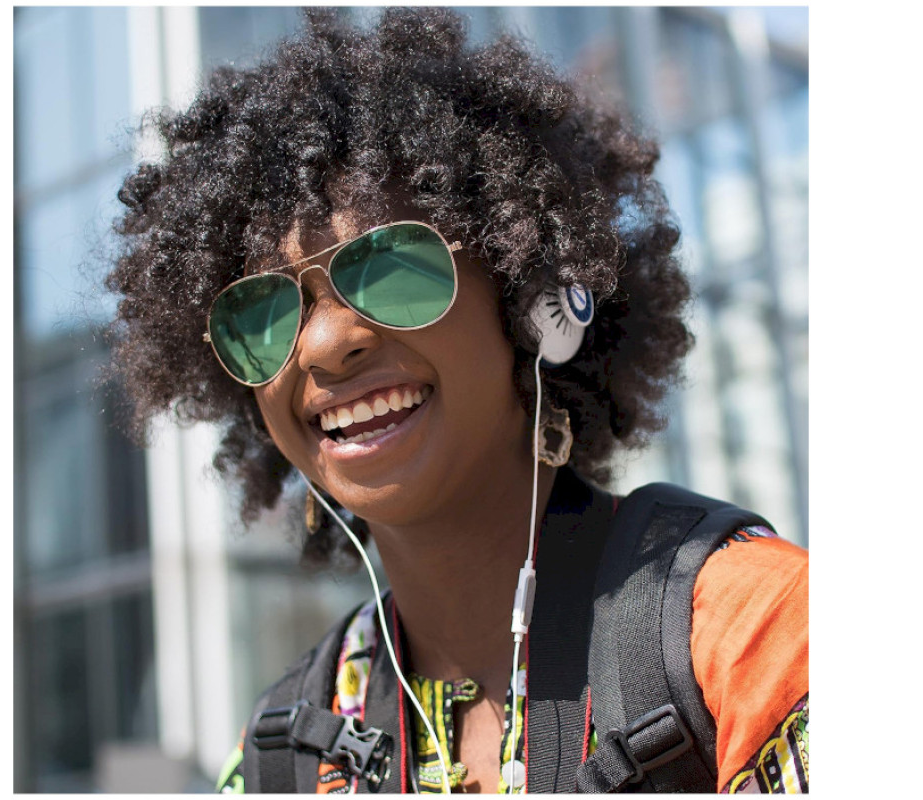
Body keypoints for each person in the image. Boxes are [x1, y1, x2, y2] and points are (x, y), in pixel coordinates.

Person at [105, 8, 808, 794]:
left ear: (532, 303)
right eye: (261, 313)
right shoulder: (283, 752)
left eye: (390, 267)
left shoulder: (753, 630)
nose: (324, 344)